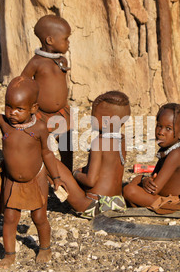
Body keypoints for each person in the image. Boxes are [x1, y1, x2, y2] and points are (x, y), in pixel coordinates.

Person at [0, 76, 66, 269]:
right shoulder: (5, 123)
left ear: (34, 108)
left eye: (19, 109)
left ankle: (45, 247)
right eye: (8, 106)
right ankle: (9, 254)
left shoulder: (39, 129)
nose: (12, 113)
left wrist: (56, 178)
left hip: (36, 179)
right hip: (12, 180)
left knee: (39, 217)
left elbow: (47, 153)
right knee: (10, 218)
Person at [55, 91, 131, 219]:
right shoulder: (122, 140)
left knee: (52, 161)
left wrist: (75, 174)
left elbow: (90, 181)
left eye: (93, 117)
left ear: (106, 122)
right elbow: (105, 170)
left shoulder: (99, 142)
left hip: (95, 205)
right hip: (117, 203)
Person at [21, 14, 74, 172]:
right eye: (65, 39)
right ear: (50, 40)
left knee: (67, 144)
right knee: (41, 145)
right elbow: (23, 82)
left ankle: (67, 172)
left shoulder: (62, 61)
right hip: (41, 114)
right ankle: (40, 172)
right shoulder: (36, 62)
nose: (68, 43)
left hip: (62, 112)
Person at [123, 103, 180, 207]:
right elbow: (153, 177)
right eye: (159, 126)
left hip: (179, 204)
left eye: (168, 128)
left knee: (129, 190)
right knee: (136, 180)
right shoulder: (169, 149)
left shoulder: (177, 154)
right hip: (168, 199)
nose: (161, 132)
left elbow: (154, 189)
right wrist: (145, 180)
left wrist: (144, 181)